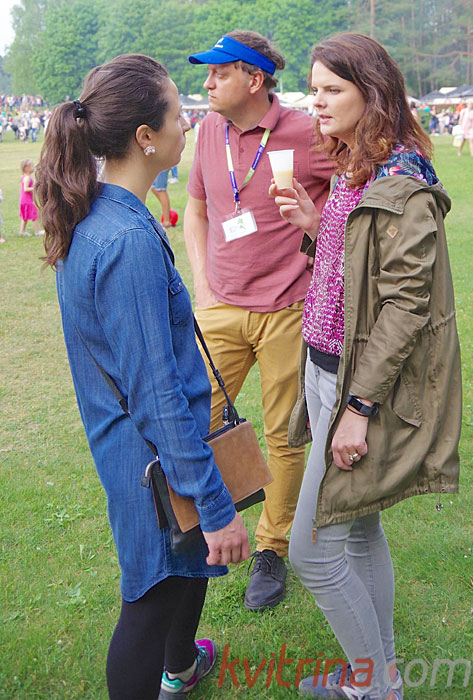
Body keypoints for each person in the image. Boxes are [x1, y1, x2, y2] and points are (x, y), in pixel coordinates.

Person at [35, 53, 250, 700]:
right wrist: (215, 505)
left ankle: (180, 667)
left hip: (152, 450)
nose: (190, 123)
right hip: (150, 458)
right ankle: (166, 666)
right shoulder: (123, 240)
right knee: (150, 600)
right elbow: (154, 396)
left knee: (185, 570)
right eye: (179, 114)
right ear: (145, 137)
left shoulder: (105, 214)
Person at [271, 33, 461, 700]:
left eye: (332, 89)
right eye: (313, 90)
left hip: (358, 385)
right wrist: (314, 225)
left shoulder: (401, 182)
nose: (316, 103)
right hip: (326, 368)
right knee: (359, 531)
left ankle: (375, 687)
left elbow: (405, 306)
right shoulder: (357, 166)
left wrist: (357, 408)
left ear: (371, 94)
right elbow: (358, 268)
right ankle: (379, 681)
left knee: (311, 552)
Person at [185, 30, 333, 611]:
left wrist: (318, 229)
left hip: (289, 310)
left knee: (284, 436)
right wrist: (203, 287)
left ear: (254, 79)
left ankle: (272, 548)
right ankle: (203, 523)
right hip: (220, 307)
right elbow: (197, 210)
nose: (207, 83)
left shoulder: (307, 131)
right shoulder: (207, 131)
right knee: (195, 420)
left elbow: (354, 194)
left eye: (218, 73)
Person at [19, 158, 43, 236]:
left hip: (24, 200)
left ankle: (22, 231)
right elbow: (26, 189)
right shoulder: (27, 178)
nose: (33, 167)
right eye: (31, 166)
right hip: (27, 200)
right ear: (26, 168)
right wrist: (35, 188)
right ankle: (37, 232)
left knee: (25, 217)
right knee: (34, 215)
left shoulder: (24, 176)